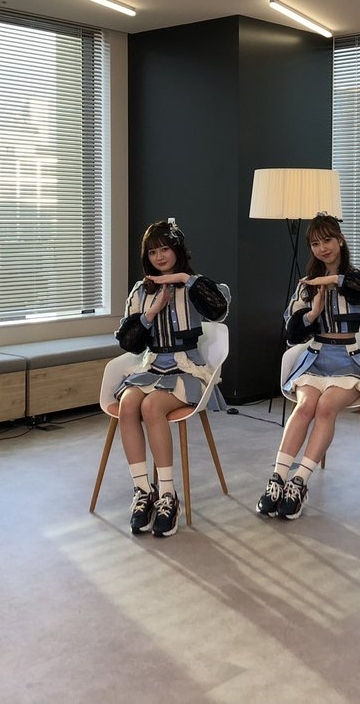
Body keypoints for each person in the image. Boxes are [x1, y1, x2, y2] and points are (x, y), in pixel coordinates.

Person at [256, 214, 360, 521]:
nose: (323, 248)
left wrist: (332, 280)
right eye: (315, 243)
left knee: (326, 407)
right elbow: (293, 333)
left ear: (340, 239)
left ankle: (299, 481)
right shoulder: (306, 286)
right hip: (316, 357)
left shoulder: (359, 278)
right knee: (305, 407)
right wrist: (312, 314)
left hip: (349, 360)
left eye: (328, 240)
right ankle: (277, 478)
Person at [114, 219, 230, 538]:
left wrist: (183, 279)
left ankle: (168, 494)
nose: (160, 257)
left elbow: (218, 310)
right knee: (127, 405)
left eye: (165, 249)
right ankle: (143, 492)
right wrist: (152, 311)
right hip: (152, 366)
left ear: (178, 250)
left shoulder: (194, 286)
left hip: (187, 368)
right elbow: (129, 342)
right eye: (153, 252)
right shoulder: (141, 291)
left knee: (152, 407)